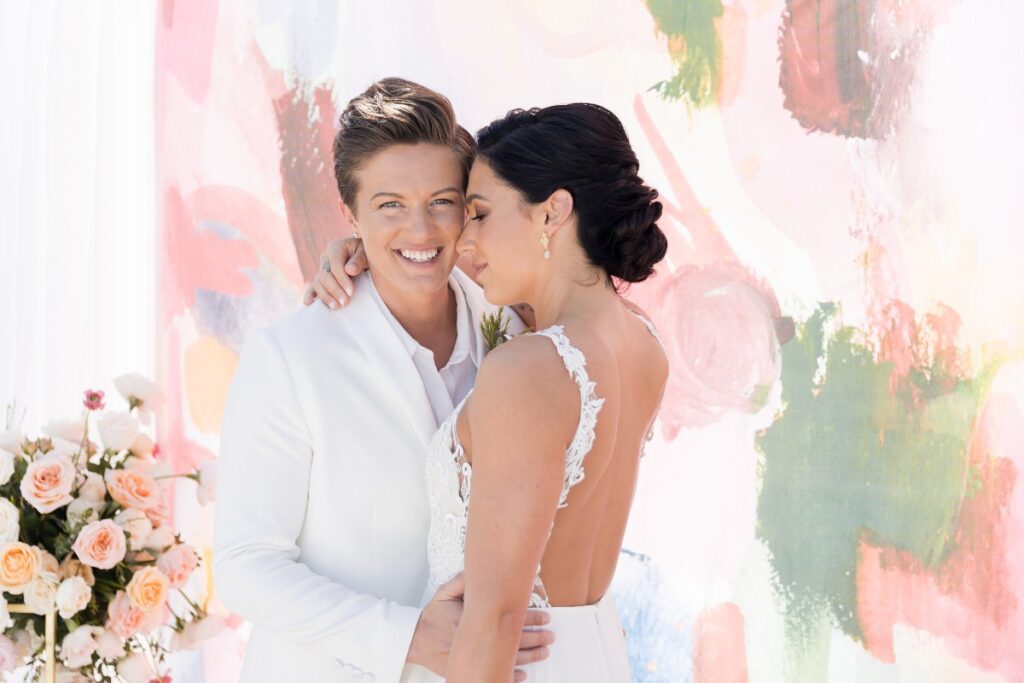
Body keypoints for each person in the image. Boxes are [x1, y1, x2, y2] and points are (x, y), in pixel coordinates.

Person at [311, 103, 669, 681]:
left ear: (553, 212)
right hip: (594, 657)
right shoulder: (642, 342)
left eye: (477, 214)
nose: (463, 239)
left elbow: (498, 615)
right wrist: (362, 252)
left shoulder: (527, 369)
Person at [213, 78, 553, 683]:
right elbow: (245, 564)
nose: (420, 231)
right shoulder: (290, 357)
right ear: (351, 215)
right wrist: (405, 637)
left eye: (442, 201)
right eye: (390, 205)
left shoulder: (515, 325)